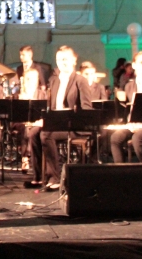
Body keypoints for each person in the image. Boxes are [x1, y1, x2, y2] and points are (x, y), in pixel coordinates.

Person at [40, 46, 93, 190]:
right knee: (33, 133)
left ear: (74, 60)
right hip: (57, 123)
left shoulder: (80, 80)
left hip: (74, 125)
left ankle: (55, 177)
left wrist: (72, 115)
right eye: (59, 59)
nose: (62, 62)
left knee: (46, 135)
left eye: (65, 59)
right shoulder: (54, 80)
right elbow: (51, 107)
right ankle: (39, 177)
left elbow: (87, 108)